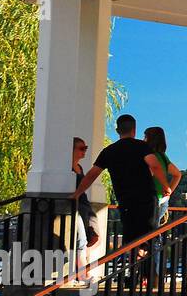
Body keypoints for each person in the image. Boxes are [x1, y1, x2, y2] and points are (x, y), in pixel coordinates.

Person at [72, 115, 171, 286]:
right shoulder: (142, 147)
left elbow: (92, 174)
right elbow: (154, 165)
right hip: (147, 200)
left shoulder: (109, 151)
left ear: (118, 130)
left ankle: (133, 275)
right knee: (149, 237)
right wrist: (165, 185)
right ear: (134, 130)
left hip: (126, 202)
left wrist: (78, 193)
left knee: (130, 240)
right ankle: (149, 277)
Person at [143, 127, 181, 227]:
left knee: (146, 232)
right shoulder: (163, 157)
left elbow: (150, 172)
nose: (143, 140)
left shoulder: (149, 157)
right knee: (153, 231)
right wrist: (168, 193)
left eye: (145, 137)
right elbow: (177, 174)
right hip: (163, 200)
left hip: (150, 201)